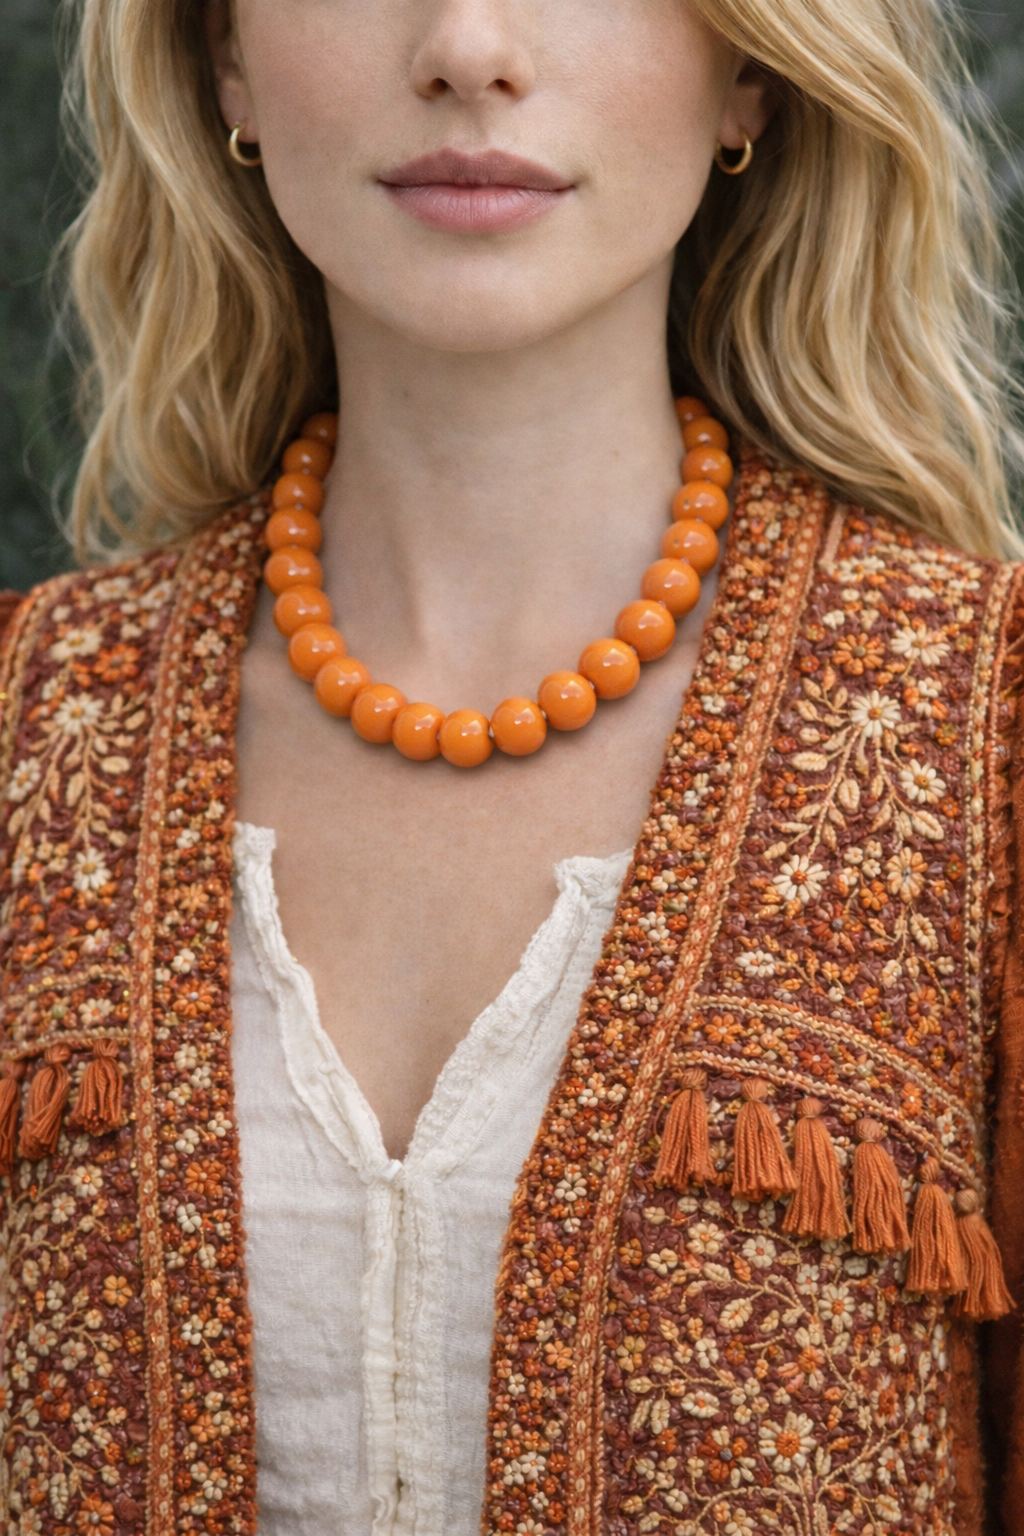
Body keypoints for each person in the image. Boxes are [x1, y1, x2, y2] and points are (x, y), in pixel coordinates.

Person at [1, 0, 1023, 1528]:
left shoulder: (984, 730)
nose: (469, 46)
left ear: (750, 68)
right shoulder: (30, 725)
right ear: (224, 57)